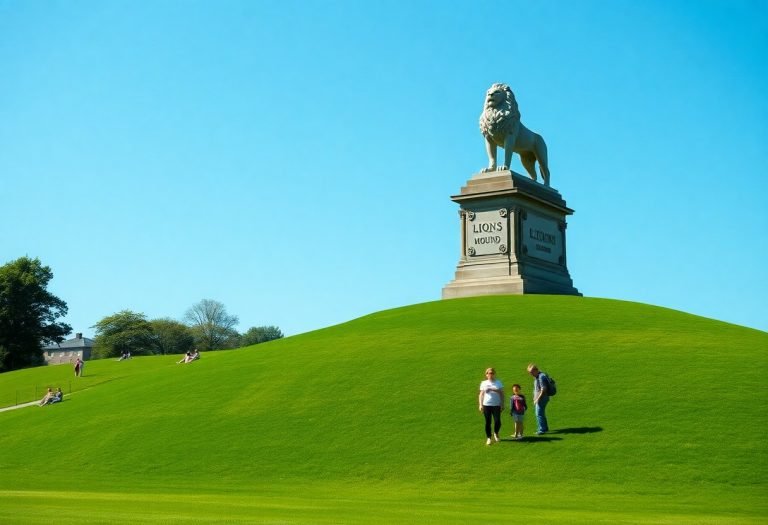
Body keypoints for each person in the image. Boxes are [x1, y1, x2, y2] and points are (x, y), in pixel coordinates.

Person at [478, 367, 505, 445]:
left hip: (496, 405)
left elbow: (501, 393)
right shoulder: (484, 383)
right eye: (489, 373)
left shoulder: (498, 382)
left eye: (492, 373)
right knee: (488, 422)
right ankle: (489, 437)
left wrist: (502, 403)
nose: (491, 375)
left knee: (497, 421)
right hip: (486, 405)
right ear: (486, 374)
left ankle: (496, 433)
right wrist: (480, 404)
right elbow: (481, 394)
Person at [527, 363, 550, 434]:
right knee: (541, 413)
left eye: (531, 372)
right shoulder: (538, 376)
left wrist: (537, 399)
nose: (531, 374)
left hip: (542, 398)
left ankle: (542, 429)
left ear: (535, 370)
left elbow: (544, 389)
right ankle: (545, 428)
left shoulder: (541, 377)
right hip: (542, 398)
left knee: (539, 414)